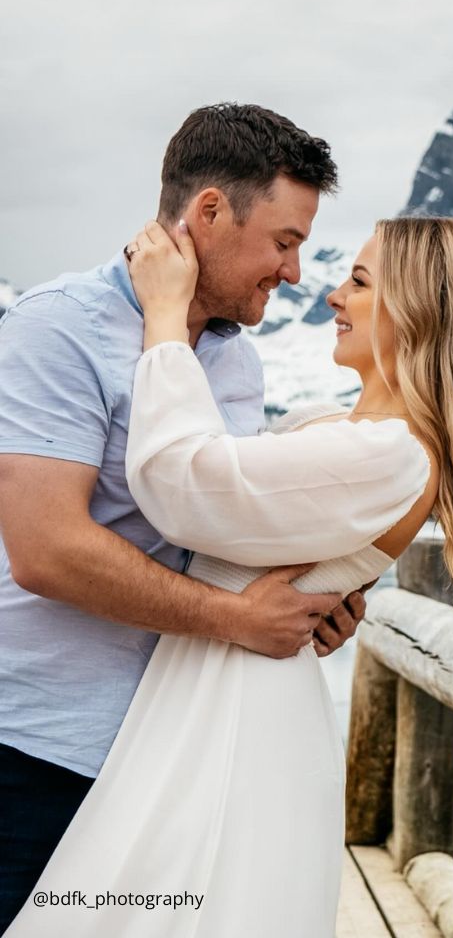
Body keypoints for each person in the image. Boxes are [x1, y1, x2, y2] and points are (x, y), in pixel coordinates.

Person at [3, 213, 453, 937]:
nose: (330, 296)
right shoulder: (351, 433)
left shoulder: (392, 453)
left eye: (357, 281)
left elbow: (180, 484)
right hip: (211, 692)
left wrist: (163, 313)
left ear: (419, 308)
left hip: (233, 712)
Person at [0, 103, 384, 935]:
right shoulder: (55, 328)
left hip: (172, 745)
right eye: (283, 240)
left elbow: (215, 526)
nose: (292, 271)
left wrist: (312, 595)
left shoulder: (233, 358)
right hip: (35, 755)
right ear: (209, 212)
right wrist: (240, 620)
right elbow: (44, 551)